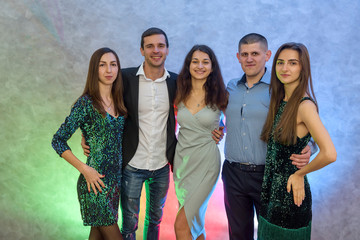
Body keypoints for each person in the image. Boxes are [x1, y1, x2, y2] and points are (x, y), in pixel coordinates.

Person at [221, 33, 313, 240]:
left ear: (267, 55)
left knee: (269, 233)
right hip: (233, 173)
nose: (249, 59)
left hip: (267, 175)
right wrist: (218, 126)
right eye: (244, 54)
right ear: (238, 57)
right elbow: (223, 113)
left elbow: (308, 122)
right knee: (238, 234)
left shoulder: (280, 89)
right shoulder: (231, 87)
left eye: (255, 53)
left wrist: (310, 147)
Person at [257, 42, 336, 239]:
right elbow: (303, 140)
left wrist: (300, 174)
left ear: (303, 68)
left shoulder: (304, 105)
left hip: (291, 197)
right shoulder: (281, 99)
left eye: (293, 63)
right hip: (270, 194)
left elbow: (330, 154)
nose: (285, 68)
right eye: (280, 62)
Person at [51, 47, 127, 240]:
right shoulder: (86, 103)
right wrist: (85, 170)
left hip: (114, 185)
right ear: (95, 69)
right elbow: (58, 140)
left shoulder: (120, 101)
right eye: (102, 65)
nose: (109, 70)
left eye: (113, 64)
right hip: (94, 183)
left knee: (97, 236)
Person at [173, 45, 228, 240]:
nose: (200, 66)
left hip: (207, 163)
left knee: (181, 225)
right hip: (183, 164)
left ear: (212, 67)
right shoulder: (178, 92)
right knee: (194, 222)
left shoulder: (221, 94)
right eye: (195, 61)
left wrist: (222, 129)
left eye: (205, 62)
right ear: (188, 65)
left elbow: (237, 123)